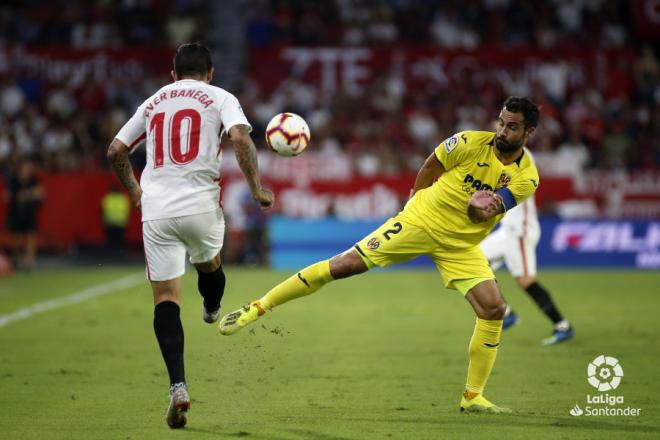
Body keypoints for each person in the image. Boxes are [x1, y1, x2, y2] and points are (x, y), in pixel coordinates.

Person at [220, 96, 541, 414]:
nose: (502, 131)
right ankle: (259, 307)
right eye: (501, 122)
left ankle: (473, 397)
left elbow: (487, 212)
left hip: (461, 244)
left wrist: (476, 210)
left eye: (512, 127)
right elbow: (431, 166)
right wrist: (414, 202)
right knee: (345, 265)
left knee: (493, 308)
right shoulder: (469, 142)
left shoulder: (527, 177)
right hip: (421, 221)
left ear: (528, 132)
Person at [107, 42, 273, 429]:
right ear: (211, 72)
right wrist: (256, 188)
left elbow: (115, 150)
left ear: (172, 74)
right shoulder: (220, 96)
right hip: (200, 206)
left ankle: (178, 386)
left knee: (165, 299)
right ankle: (212, 307)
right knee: (211, 265)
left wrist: (135, 193)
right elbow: (241, 138)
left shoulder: (152, 102)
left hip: (157, 211)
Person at [480, 190, 574, 346]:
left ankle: (563, 326)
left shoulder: (521, 165)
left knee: (526, 280)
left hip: (520, 230)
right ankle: (506, 313)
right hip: (507, 230)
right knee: (475, 262)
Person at [4, 159, 44, 271]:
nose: (27, 171)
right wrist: (29, 194)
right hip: (16, 213)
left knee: (31, 236)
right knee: (16, 240)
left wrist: (22, 195)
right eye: (25, 168)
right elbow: (7, 197)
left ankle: (29, 262)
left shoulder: (33, 180)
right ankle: (14, 259)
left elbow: (40, 194)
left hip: (29, 213)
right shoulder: (13, 181)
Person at [101, 185, 131, 254]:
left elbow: (102, 210)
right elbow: (127, 210)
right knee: (120, 242)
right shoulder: (123, 198)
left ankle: (111, 256)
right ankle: (120, 255)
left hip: (109, 223)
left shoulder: (108, 198)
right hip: (121, 223)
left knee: (110, 242)